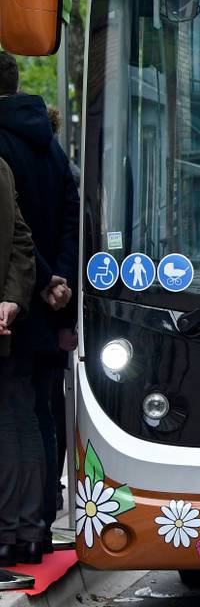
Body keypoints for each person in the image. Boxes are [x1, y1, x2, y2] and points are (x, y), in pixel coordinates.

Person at [0, 53, 78, 556]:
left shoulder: (2, 143)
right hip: (51, 301)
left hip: (19, 299)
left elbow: (14, 230)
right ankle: (41, 523)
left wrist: (45, 277)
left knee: (15, 414)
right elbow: (73, 215)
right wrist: (63, 281)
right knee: (42, 414)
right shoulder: (50, 145)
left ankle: (17, 528)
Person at [0, 155, 43, 567]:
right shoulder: (2, 166)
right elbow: (20, 240)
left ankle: (11, 529)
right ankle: (24, 529)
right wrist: (11, 300)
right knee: (18, 415)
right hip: (11, 317)